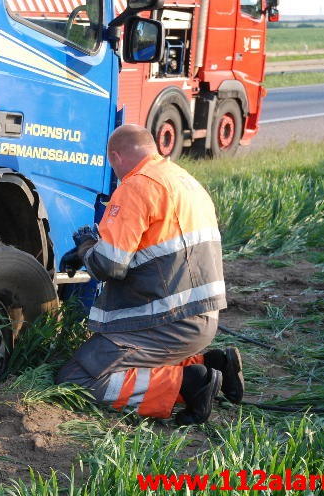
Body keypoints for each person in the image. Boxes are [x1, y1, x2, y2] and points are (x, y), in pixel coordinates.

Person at [57, 124, 243, 425]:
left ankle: (188, 384)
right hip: (201, 319)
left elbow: (109, 265)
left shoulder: (136, 186)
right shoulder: (184, 180)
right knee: (109, 361)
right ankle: (213, 363)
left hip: (166, 322)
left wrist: (85, 248)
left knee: (76, 378)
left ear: (116, 156)